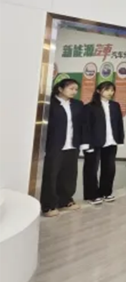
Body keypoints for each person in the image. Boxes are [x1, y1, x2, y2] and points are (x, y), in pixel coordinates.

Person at [41, 78, 85, 217]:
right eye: (71, 88)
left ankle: (65, 200)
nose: (74, 92)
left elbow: (82, 125)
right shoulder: (49, 104)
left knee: (69, 175)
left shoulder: (78, 104)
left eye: (76, 89)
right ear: (60, 89)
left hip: (72, 145)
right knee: (51, 175)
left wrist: (83, 142)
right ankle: (48, 205)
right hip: (54, 145)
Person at [82, 82, 125, 205]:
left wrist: (120, 138)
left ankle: (106, 192)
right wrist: (86, 143)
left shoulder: (115, 105)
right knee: (91, 169)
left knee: (109, 168)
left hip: (111, 141)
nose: (110, 93)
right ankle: (92, 195)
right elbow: (85, 126)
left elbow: (119, 123)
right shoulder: (90, 107)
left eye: (112, 90)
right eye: (107, 90)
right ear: (98, 91)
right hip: (94, 142)